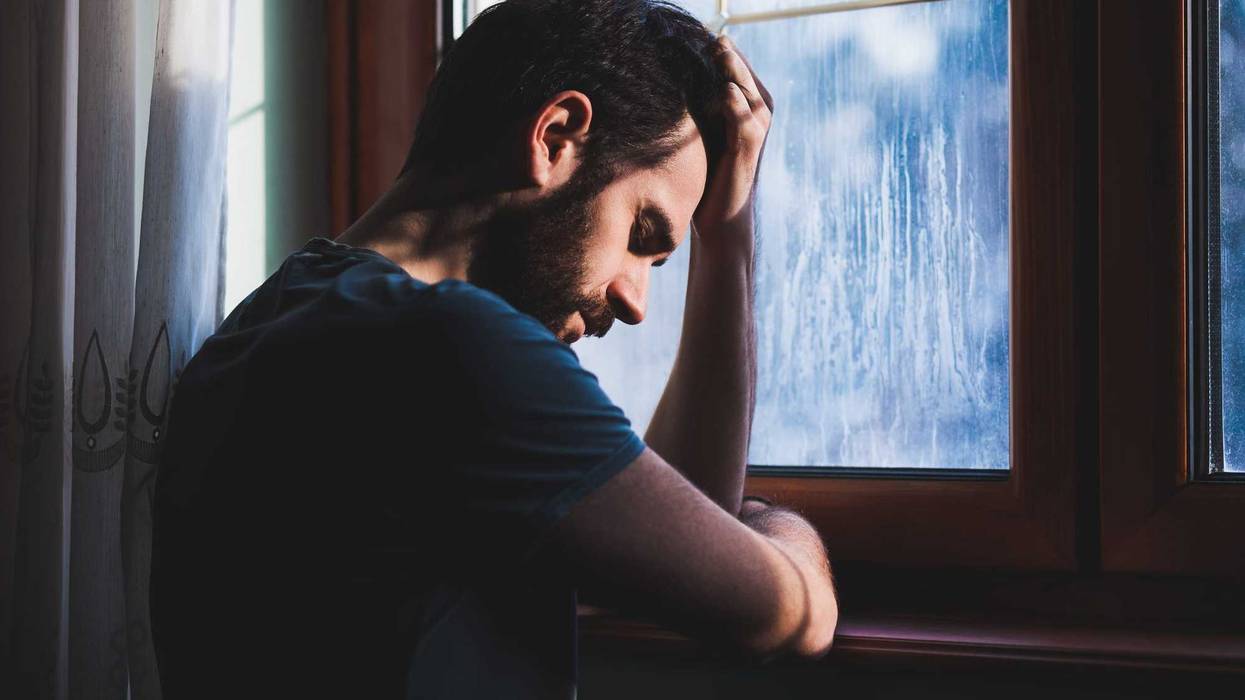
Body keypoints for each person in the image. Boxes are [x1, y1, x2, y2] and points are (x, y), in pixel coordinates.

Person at [149, 1, 838, 698]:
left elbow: (683, 541)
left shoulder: (273, 320)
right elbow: (783, 615)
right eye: (642, 233)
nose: (634, 303)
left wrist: (722, 240)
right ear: (556, 136)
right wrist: (776, 526)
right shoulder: (454, 346)